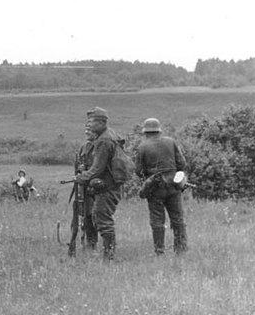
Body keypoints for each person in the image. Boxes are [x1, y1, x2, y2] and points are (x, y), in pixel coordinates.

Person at [75, 107, 123, 261]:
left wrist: (82, 177)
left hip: (106, 186)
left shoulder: (103, 140)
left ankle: (109, 258)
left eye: (92, 121)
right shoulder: (110, 135)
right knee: (97, 217)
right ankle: (103, 253)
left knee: (102, 220)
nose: (88, 125)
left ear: (102, 122)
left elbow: (97, 168)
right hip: (108, 184)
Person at [135, 118, 188, 255]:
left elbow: (138, 171)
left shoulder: (142, 147)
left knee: (157, 220)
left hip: (154, 188)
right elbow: (182, 164)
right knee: (178, 218)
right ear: (159, 130)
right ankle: (181, 249)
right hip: (173, 186)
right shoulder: (171, 141)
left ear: (146, 132)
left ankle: (159, 251)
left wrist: (147, 180)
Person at [70, 125, 98, 255]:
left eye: (90, 130)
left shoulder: (100, 146)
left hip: (97, 186)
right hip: (84, 187)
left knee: (95, 215)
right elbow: (78, 166)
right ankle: (89, 241)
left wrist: (86, 169)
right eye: (86, 130)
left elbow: (98, 167)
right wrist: (80, 170)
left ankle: (96, 243)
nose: (87, 132)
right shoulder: (84, 147)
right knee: (85, 214)